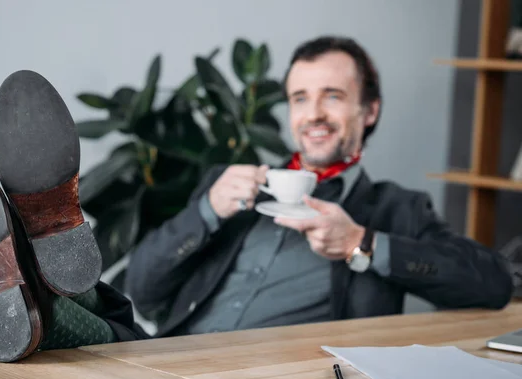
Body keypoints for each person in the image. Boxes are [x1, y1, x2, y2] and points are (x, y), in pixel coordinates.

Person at [124, 35, 514, 338]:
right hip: (171, 362)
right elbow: (141, 290)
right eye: (300, 98)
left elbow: (494, 284)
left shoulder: (398, 208)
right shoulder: (229, 186)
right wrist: (206, 211)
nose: (314, 115)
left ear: (370, 110)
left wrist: (362, 242)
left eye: (333, 96)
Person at [0, 70, 148, 363]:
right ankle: (35, 264)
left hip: (149, 352)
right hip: (162, 347)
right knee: (117, 339)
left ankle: (24, 273)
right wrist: (208, 211)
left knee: (106, 335)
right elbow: (153, 281)